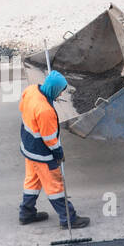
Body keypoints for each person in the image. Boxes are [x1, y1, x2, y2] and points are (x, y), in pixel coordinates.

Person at [18, 70, 89, 230]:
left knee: (32, 182)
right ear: (55, 89)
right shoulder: (45, 111)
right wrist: (59, 154)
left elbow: (22, 108)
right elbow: (50, 139)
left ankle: (26, 213)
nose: (61, 94)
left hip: (28, 148)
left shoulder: (31, 90)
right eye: (61, 90)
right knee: (55, 187)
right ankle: (68, 219)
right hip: (42, 154)